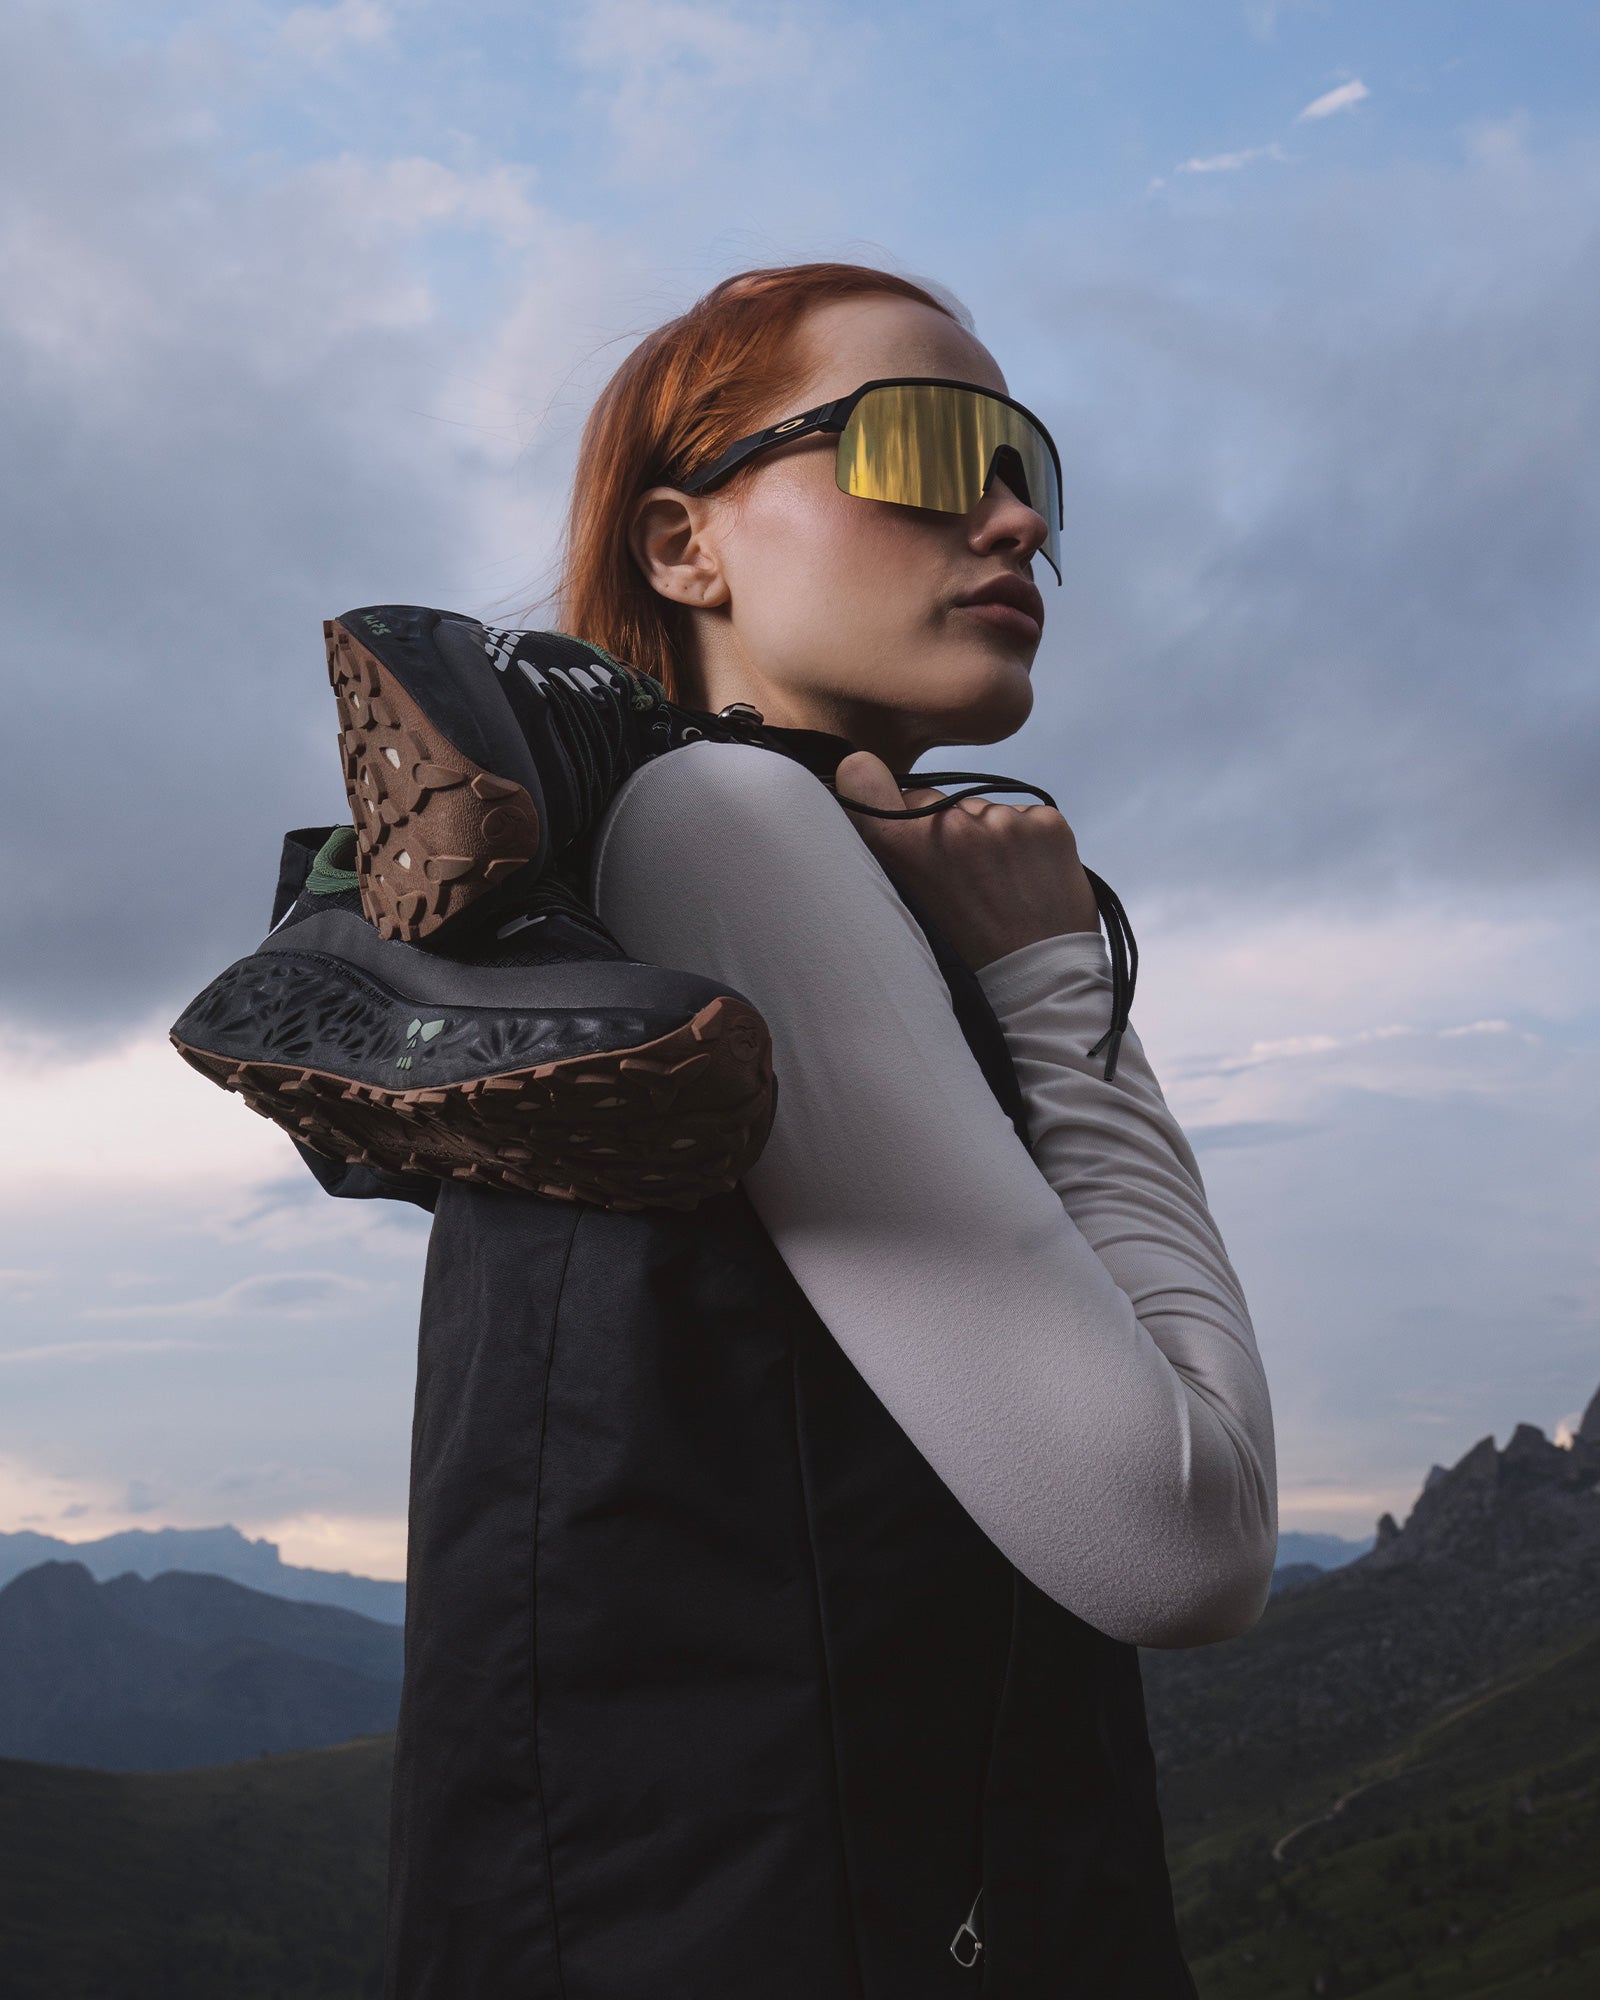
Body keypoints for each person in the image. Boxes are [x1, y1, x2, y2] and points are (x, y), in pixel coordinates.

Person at [184, 260, 1277, 1996]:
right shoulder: (729, 828)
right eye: (921, 446)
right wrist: (1060, 977)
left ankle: (402, 890)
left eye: (1032, 475)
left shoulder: (772, 871)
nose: (1009, 519)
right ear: (684, 546)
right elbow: (1187, 1539)